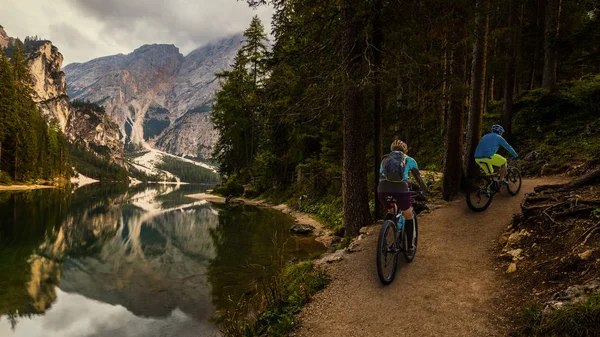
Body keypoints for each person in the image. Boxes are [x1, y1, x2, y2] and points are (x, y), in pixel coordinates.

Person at [377, 140, 429, 253]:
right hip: (401, 190)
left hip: (382, 190)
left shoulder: (385, 160)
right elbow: (419, 179)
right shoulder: (409, 160)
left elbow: (381, 176)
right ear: (405, 150)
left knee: (391, 211)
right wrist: (426, 191)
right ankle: (410, 247)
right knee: (408, 214)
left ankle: (383, 239)